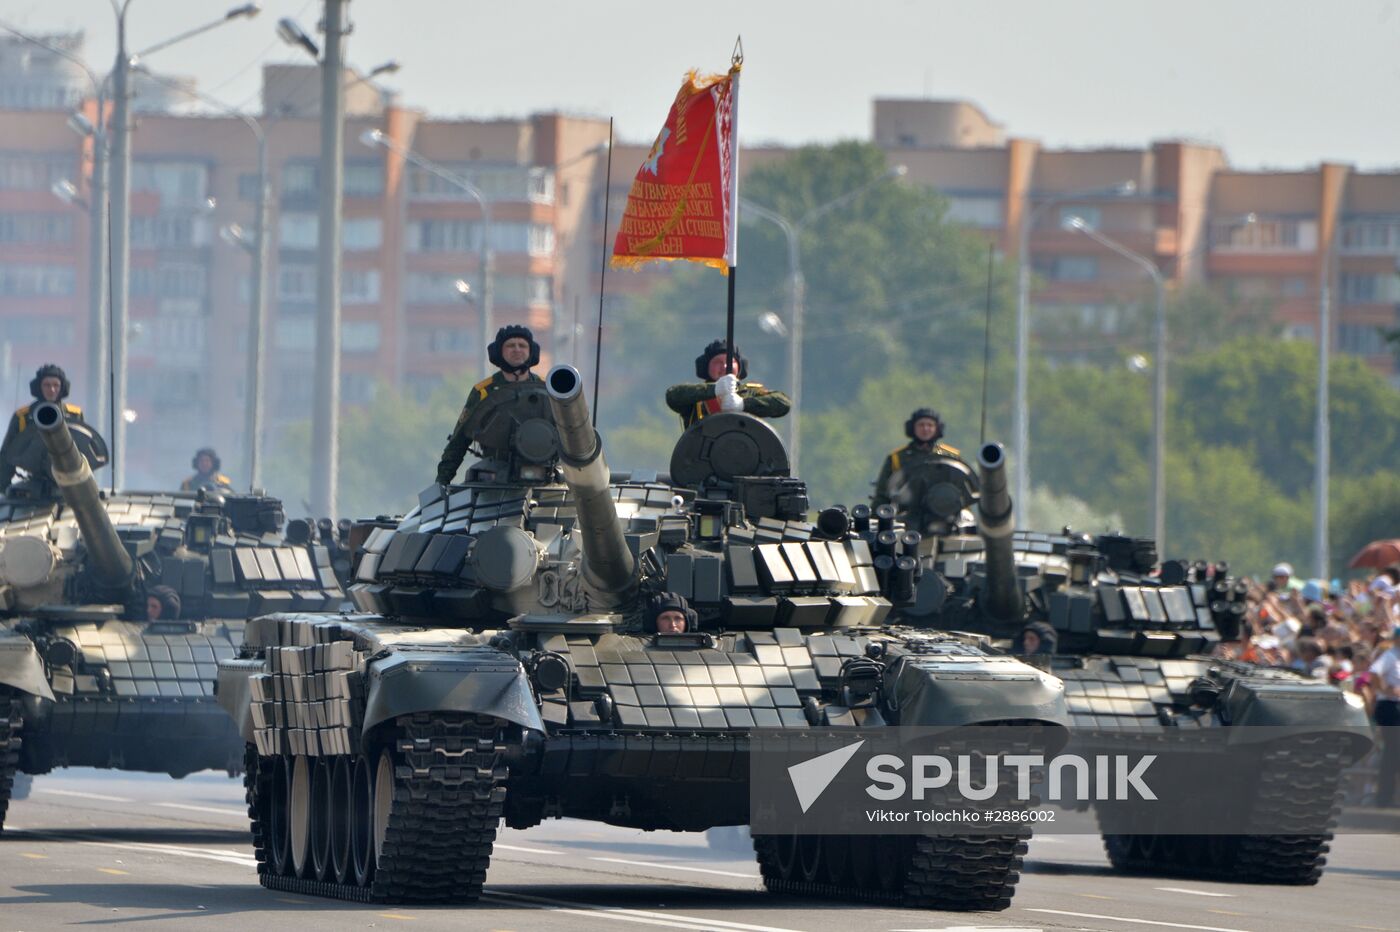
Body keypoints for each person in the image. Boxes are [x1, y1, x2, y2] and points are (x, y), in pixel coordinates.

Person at [436, 325, 544, 485]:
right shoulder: (484, 391)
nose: (517, 349)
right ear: (499, 351)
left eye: (522, 345)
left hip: (540, 473)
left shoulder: (545, 390)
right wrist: (442, 482)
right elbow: (459, 441)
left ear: (531, 351)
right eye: (510, 345)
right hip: (494, 476)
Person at [664, 339, 791, 429]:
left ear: (740, 366)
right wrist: (714, 390)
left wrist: (743, 404)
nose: (724, 366)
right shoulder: (696, 397)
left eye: (730, 362)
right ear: (706, 368)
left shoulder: (749, 393)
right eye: (717, 362)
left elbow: (783, 403)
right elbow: (673, 396)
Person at [0, 364, 84, 493]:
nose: (51, 389)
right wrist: (2, 487)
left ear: (62, 388)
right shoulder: (23, 417)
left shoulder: (74, 415)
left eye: (56, 385)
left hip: (67, 485)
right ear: (38, 387)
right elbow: (7, 454)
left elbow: (83, 451)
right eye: (47, 385)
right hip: (34, 485)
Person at [871, 408, 965, 508]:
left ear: (937, 428)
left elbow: (963, 491)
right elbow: (882, 495)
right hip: (907, 516)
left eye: (930, 425)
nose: (925, 429)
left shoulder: (951, 456)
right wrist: (876, 517)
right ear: (912, 428)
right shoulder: (897, 458)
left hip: (945, 514)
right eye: (921, 425)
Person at [1369, 626, 1400, 807]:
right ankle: (1384, 797)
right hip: (1390, 706)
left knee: (1393, 754)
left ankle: (1387, 796)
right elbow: (1374, 672)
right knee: (1393, 751)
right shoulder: (1390, 655)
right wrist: (1385, 689)